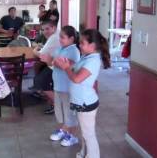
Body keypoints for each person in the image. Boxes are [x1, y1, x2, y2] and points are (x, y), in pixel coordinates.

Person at [55, 29, 111, 158]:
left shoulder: (93, 61)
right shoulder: (87, 56)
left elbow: (77, 79)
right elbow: (77, 68)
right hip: (81, 101)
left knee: (89, 134)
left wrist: (65, 68)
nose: (79, 45)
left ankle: (93, 155)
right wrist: (69, 64)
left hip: (86, 103)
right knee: (85, 132)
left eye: (82, 43)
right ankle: (84, 152)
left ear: (92, 46)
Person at [41, 26, 80, 147]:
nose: (60, 39)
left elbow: (65, 65)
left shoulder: (73, 50)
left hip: (68, 88)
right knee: (60, 112)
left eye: (63, 37)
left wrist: (51, 60)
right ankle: (64, 130)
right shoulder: (60, 48)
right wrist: (47, 60)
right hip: (58, 86)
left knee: (69, 113)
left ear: (71, 39)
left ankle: (72, 136)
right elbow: (51, 61)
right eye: (60, 37)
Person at [32, 20, 60, 114]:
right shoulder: (55, 35)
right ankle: (52, 101)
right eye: (43, 29)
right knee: (38, 70)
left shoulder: (54, 37)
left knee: (40, 81)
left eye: (47, 29)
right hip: (55, 64)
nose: (45, 32)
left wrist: (35, 50)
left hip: (57, 67)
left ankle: (58, 105)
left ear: (54, 28)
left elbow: (40, 55)